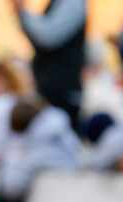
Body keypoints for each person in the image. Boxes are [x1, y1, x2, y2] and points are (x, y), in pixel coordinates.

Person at [10, 0, 87, 133]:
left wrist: (22, 12)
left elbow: (47, 37)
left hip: (61, 94)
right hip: (53, 91)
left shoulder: (72, 2)